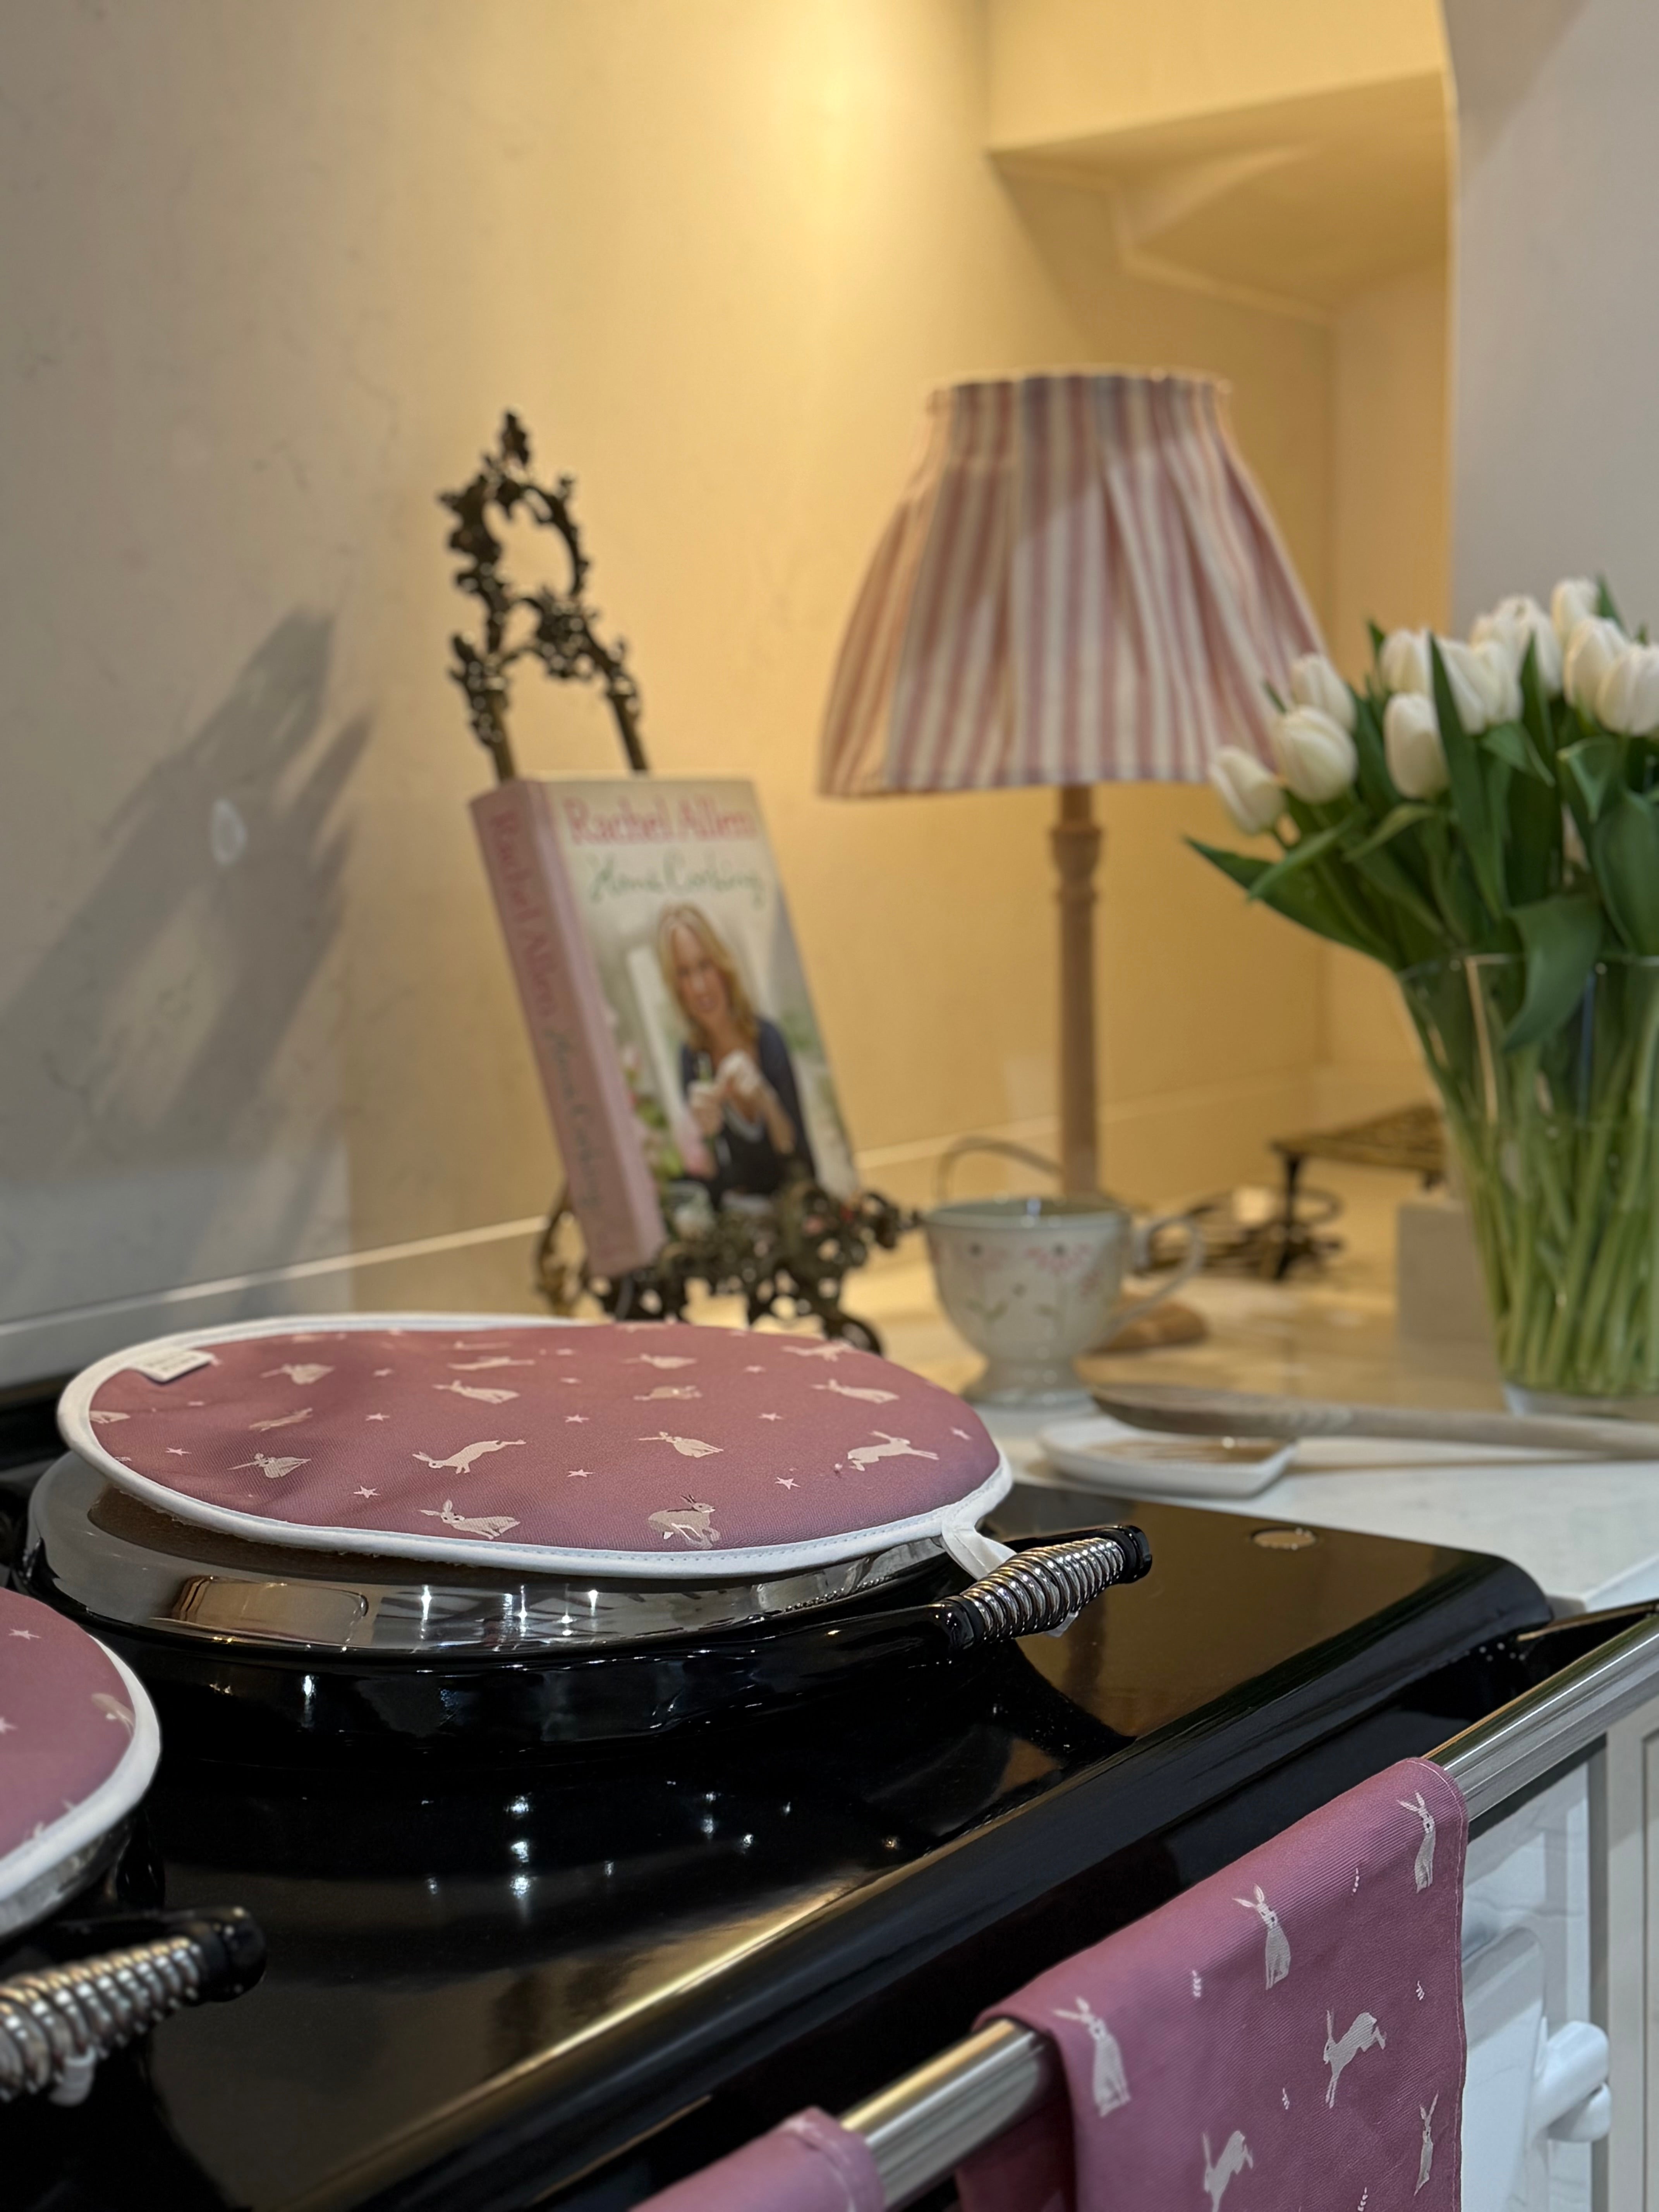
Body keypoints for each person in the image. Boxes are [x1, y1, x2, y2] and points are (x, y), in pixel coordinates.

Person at [656, 903, 816, 1199]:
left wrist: (765, 1101)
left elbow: (797, 1154)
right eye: (685, 973)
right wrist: (702, 1138)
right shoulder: (691, 1059)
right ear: (677, 987)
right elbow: (716, 1181)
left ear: (723, 967)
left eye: (705, 966)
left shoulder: (767, 1039)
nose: (700, 987)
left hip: (796, 1208)